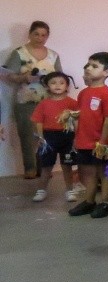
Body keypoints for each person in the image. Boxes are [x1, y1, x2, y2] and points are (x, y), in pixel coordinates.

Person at [3, 21, 63, 178]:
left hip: (49, 102)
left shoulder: (53, 55)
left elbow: (60, 76)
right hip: (26, 102)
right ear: (30, 34)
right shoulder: (19, 53)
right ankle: (30, 168)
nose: (40, 38)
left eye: (44, 35)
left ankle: (44, 168)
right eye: (36, 34)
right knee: (28, 137)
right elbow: (7, 74)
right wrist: (25, 78)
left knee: (47, 136)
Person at [67, 52, 108, 219]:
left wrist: (103, 143)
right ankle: (89, 201)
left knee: (104, 173)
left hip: (101, 143)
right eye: (88, 65)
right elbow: (80, 115)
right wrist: (76, 135)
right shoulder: (83, 93)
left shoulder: (107, 94)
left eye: (94, 66)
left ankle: (105, 203)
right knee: (87, 172)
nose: (88, 68)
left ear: (106, 72)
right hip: (84, 142)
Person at [30, 72, 79, 202]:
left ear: (67, 87)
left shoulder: (72, 103)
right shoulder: (43, 104)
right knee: (46, 166)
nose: (57, 85)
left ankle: (70, 190)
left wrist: (76, 137)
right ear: (47, 86)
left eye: (61, 83)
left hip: (67, 137)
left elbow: (77, 121)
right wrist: (41, 138)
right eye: (53, 82)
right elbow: (38, 121)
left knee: (67, 166)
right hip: (48, 137)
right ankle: (41, 190)